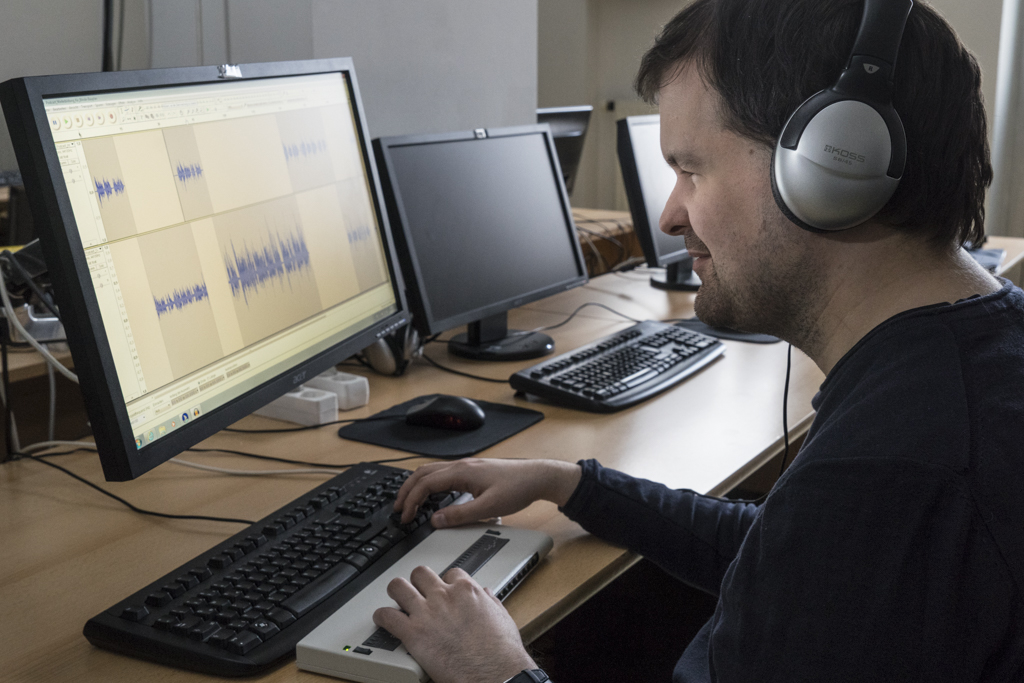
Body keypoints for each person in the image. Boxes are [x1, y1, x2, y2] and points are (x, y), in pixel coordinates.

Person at [371, 0, 1024, 681]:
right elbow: (793, 553)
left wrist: (496, 668)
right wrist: (572, 483)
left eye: (691, 169)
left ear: (830, 168)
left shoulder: (894, 471)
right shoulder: (965, 363)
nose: (669, 212)